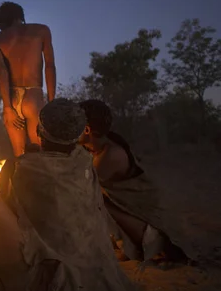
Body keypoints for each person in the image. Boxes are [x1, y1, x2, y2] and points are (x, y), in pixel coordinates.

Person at [0, 99, 135, 291]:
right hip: (101, 288)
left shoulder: (21, 168)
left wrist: (13, 168)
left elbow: (9, 222)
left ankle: (5, 289)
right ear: (78, 134)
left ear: (38, 129)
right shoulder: (86, 161)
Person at [78, 99, 187, 262]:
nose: (70, 130)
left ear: (87, 129)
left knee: (91, 199)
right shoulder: (99, 147)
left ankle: (141, 246)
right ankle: (124, 243)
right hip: (137, 219)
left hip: (151, 229)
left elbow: (77, 187)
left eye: (73, 125)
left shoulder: (109, 156)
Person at [0, 1, 56, 157]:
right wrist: (52, 102)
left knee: (19, 155)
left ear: (2, 22)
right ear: (20, 16)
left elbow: (1, 72)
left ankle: (19, 181)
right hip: (33, 97)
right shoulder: (41, 31)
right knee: (39, 152)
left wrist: (7, 108)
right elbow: (50, 66)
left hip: (11, 98)